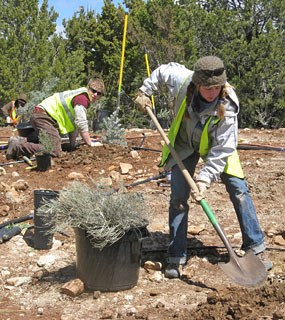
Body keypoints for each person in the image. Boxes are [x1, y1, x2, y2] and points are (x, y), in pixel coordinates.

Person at [134, 56, 272, 279]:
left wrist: (204, 179)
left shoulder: (228, 105)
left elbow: (223, 149)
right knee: (178, 198)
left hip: (217, 148)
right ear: (196, 84)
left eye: (217, 87)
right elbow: (163, 70)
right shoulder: (182, 81)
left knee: (239, 190)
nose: (212, 92)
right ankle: (176, 255)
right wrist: (144, 91)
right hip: (184, 144)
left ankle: (255, 247)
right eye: (207, 87)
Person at [6, 77, 105, 160]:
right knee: (54, 149)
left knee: (50, 139)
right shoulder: (82, 99)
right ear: (88, 88)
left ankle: (19, 140)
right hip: (44, 116)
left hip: (43, 116)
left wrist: (73, 144)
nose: (95, 94)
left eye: (99, 93)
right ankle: (17, 147)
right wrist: (89, 143)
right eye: (93, 90)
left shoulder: (80, 96)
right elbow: (81, 123)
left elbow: (74, 125)